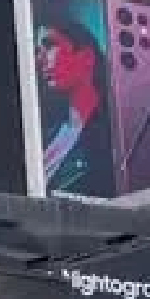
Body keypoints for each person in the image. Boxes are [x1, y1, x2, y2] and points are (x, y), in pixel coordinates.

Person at [35, 16, 112, 195]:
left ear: (86, 58)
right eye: (38, 50)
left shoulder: (110, 139)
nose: (40, 59)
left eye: (49, 45)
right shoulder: (50, 133)